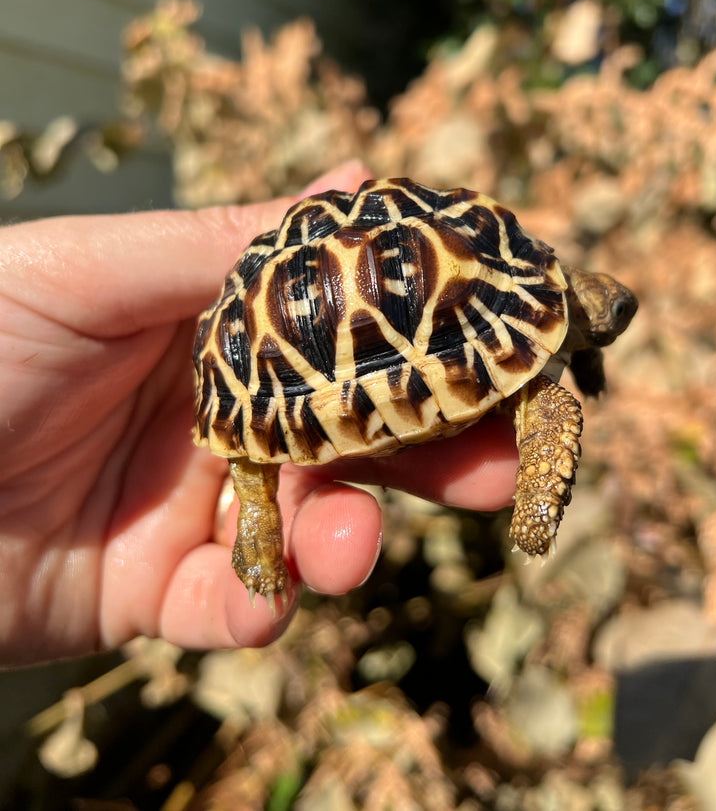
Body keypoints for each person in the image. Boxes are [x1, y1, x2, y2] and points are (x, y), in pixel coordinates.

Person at [0, 162, 519, 665]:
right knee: (269, 487)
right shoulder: (498, 268)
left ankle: (255, 502)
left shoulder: (478, 242)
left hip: (286, 364)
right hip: (283, 348)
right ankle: (256, 506)